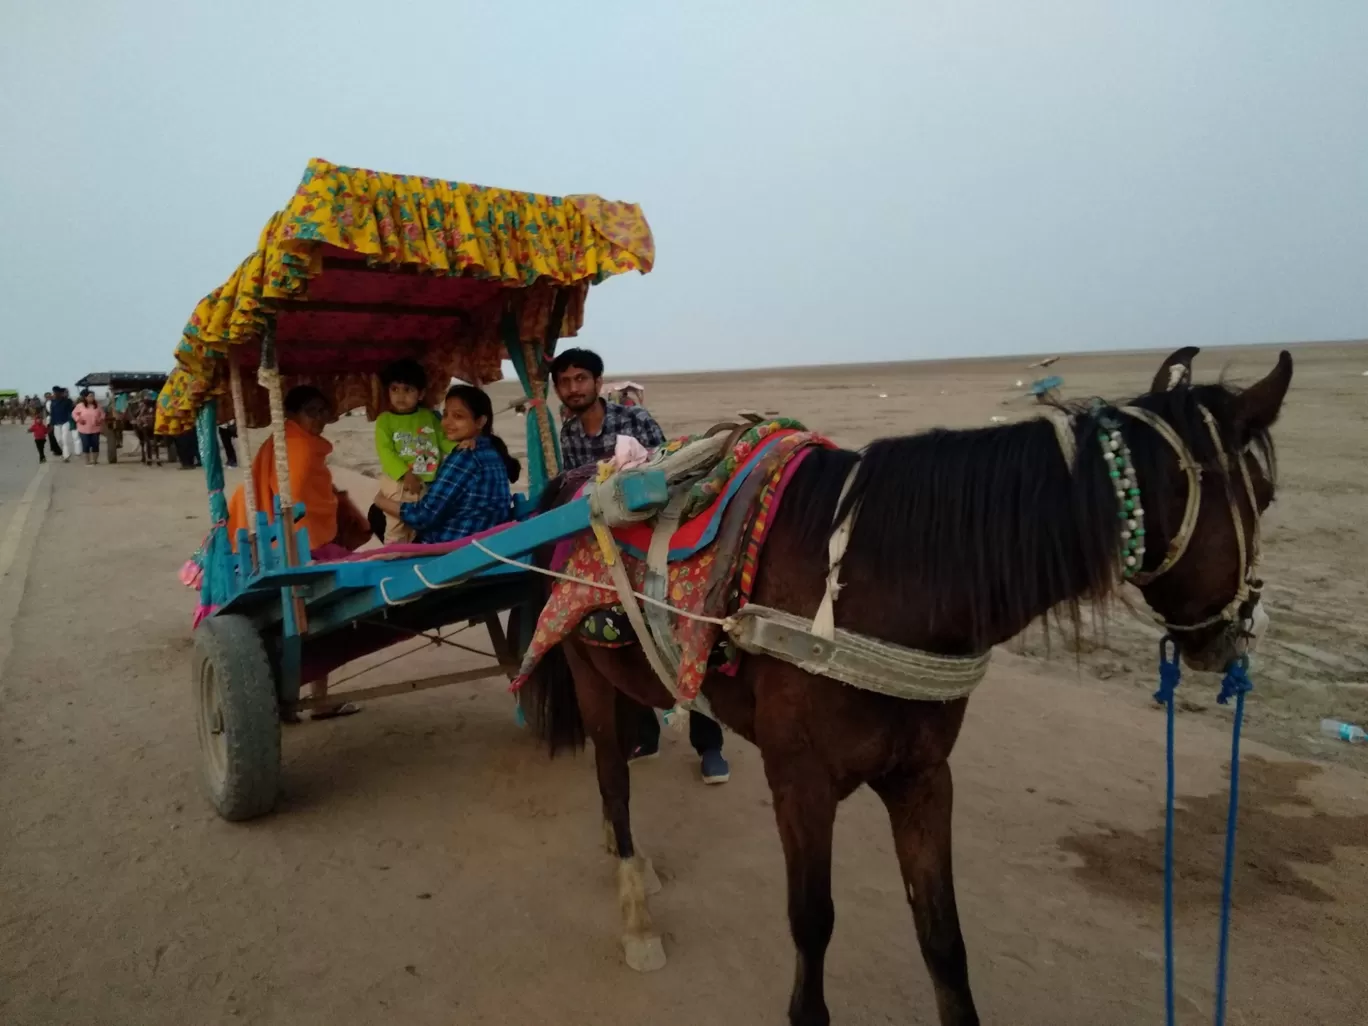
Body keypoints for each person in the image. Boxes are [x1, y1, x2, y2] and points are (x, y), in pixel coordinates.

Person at [551, 347, 731, 785]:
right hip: (605, 544)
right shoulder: (570, 431)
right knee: (614, 634)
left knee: (683, 628)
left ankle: (709, 747)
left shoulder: (633, 420)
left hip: (651, 536)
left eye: (581, 379)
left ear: (598, 382)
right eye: (565, 381)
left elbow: (667, 474)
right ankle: (645, 734)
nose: (574, 388)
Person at [372, 385, 518, 543]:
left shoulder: (466, 457)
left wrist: (381, 501)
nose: (446, 423)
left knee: (377, 513)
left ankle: (397, 565)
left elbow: (423, 516)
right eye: (445, 415)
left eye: (458, 416)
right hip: (481, 538)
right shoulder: (491, 450)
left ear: (480, 421)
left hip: (451, 547)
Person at [372, 359, 449, 543]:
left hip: (426, 483)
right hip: (398, 483)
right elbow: (386, 452)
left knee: (421, 529)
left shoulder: (429, 416)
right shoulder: (385, 420)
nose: (400, 396)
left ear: (421, 394)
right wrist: (406, 474)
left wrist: (461, 445)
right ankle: (392, 562)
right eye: (394, 389)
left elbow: (444, 441)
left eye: (408, 390)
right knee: (397, 528)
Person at [72, 392, 106, 465]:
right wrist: (78, 419)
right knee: (86, 445)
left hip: (95, 428)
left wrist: (100, 419)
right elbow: (74, 413)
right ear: (85, 397)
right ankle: (87, 461)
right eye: (90, 396)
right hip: (83, 429)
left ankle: (95, 460)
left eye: (93, 396)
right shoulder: (80, 405)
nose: (91, 398)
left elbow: (103, 414)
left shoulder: (97, 406)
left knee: (95, 444)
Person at [48, 387, 76, 463]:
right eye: (54, 392)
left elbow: (73, 409)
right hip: (56, 424)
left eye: (56, 392)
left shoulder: (67, 401)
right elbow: (52, 414)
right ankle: (66, 452)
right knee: (59, 440)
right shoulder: (53, 402)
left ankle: (65, 456)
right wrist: (51, 425)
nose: (54, 394)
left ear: (60, 393)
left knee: (65, 439)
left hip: (65, 422)